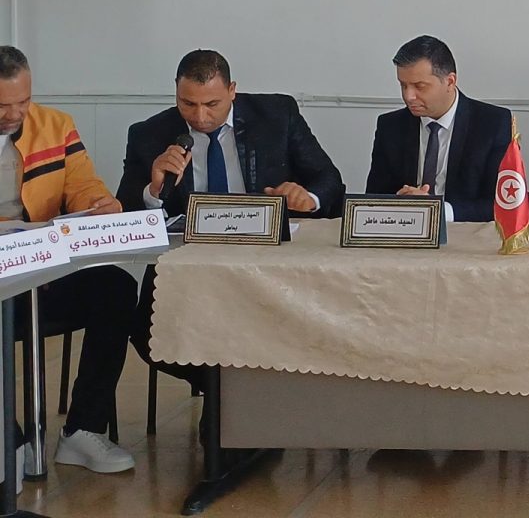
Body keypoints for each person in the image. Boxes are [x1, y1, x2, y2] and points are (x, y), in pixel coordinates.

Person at [118, 49, 345, 390]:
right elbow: (126, 213)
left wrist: (308, 198)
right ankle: (232, 395)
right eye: (187, 104)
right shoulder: (149, 134)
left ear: (232, 90)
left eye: (212, 104)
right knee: (148, 332)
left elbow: (329, 180)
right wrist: (154, 189)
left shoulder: (277, 115)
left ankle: (233, 401)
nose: (200, 117)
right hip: (191, 264)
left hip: (266, 261)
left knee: (281, 329)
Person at [0, 46, 137, 473]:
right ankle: (11, 439)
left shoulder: (56, 126)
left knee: (116, 287)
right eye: (2, 106)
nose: (14, 115)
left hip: (44, 271)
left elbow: (82, 185)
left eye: (23, 102)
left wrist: (99, 204)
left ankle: (83, 430)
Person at [365, 36, 511, 222]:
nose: (408, 96)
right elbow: (374, 199)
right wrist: (403, 202)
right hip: (405, 229)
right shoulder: (390, 126)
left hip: (463, 232)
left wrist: (439, 211)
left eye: (419, 86)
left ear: (450, 81)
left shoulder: (492, 124)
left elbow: (503, 204)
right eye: (403, 85)